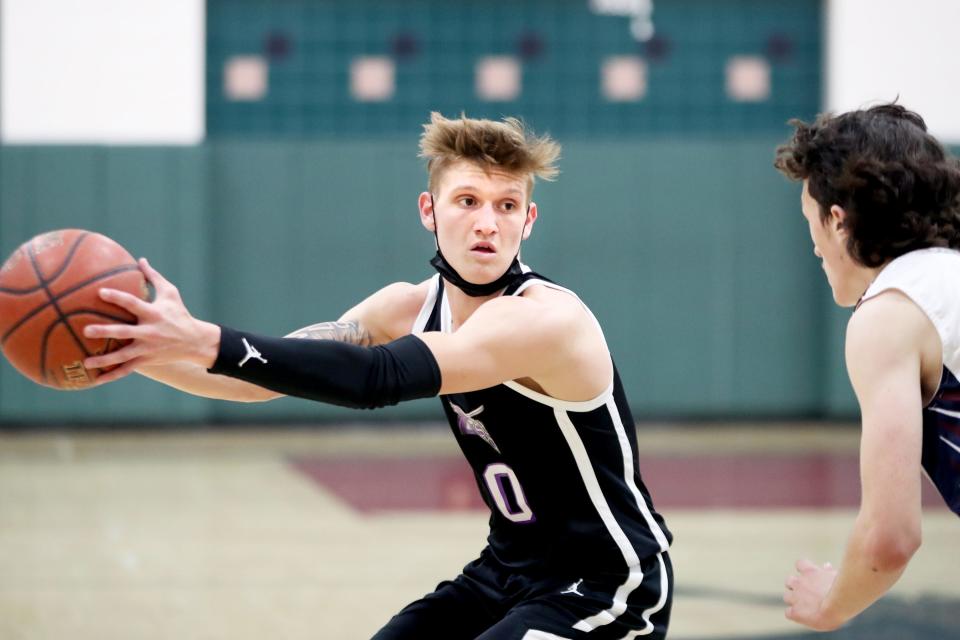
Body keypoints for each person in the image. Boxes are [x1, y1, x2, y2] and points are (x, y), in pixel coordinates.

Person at [82, 112, 673, 639]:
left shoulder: (544, 318)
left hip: (606, 587)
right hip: (505, 572)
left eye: (507, 205)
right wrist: (141, 353)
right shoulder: (404, 307)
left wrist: (204, 337)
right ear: (429, 210)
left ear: (529, 220)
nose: (487, 223)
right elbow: (259, 377)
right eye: (467, 201)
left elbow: (374, 378)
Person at [774, 103, 960, 631]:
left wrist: (830, 603)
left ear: (838, 220)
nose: (813, 246)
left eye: (811, 221)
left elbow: (891, 537)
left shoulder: (891, 314)